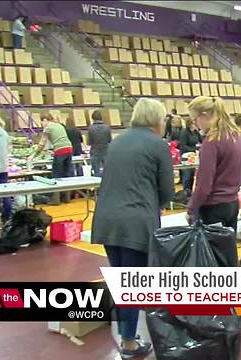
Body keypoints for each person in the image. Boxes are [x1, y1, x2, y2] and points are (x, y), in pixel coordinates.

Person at [91, 98, 174, 358]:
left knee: (120, 278)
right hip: (136, 222)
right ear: (156, 120)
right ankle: (128, 342)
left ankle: (126, 333)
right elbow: (167, 191)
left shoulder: (118, 141)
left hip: (106, 218)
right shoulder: (158, 145)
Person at [186, 96, 241, 328]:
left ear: (205, 116)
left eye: (195, 119)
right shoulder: (235, 137)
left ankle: (219, 317)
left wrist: (191, 206)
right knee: (229, 260)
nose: (196, 125)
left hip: (213, 207)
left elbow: (204, 184)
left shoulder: (212, 141)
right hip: (231, 204)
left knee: (213, 264)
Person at [31, 114, 73, 204]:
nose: (42, 124)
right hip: (69, 148)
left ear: (45, 120)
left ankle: (56, 199)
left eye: (41, 122)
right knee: (66, 174)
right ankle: (67, 198)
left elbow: (42, 143)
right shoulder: (60, 125)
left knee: (56, 175)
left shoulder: (48, 128)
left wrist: (34, 155)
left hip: (59, 150)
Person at [179, 117, 202, 195]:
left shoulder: (196, 132)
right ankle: (185, 193)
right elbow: (182, 145)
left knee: (192, 175)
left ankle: (191, 193)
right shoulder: (184, 132)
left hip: (193, 156)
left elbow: (202, 140)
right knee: (187, 175)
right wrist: (194, 149)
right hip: (186, 156)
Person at [87, 110, 112, 177]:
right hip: (105, 151)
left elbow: (89, 142)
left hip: (95, 152)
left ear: (93, 118)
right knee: (107, 172)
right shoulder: (107, 127)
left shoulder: (91, 128)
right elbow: (110, 140)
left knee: (96, 172)